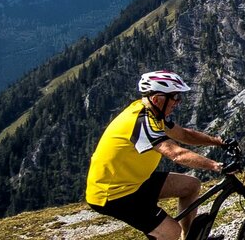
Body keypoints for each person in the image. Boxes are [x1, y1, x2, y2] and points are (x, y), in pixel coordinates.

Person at [85, 71, 233, 240]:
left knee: (191, 186)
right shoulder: (141, 122)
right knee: (170, 232)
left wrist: (218, 141)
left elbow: (184, 135)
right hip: (114, 194)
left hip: (135, 181)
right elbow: (176, 154)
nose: (178, 102)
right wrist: (216, 166)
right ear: (157, 99)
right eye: (175, 97)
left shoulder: (154, 114)